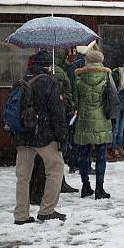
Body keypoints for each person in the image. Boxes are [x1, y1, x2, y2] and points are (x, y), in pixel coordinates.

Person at [13, 50, 68, 224]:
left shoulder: (23, 80)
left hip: (23, 134)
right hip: (43, 135)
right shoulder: (48, 82)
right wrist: (62, 137)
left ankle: (21, 215)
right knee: (56, 169)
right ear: (48, 65)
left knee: (23, 176)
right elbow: (57, 113)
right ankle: (47, 210)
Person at [29, 58, 77, 205]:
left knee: (32, 166)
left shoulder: (28, 79)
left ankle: (29, 200)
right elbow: (56, 111)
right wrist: (61, 135)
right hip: (46, 129)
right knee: (53, 165)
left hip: (31, 127)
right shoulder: (51, 82)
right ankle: (45, 204)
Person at [74, 49, 113, 199]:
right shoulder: (107, 76)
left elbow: (75, 101)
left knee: (84, 156)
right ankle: (99, 189)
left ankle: (85, 186)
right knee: (101, 156)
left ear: (87, 60)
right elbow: (112, 98)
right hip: (102, 119)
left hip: (84, 120)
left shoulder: (78, 76)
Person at [109, 66, 124, 158]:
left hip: (122, 109)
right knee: (116, 129)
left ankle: (119, 146)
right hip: (117, 110)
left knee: (119, 130)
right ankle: (114, 147)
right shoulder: (115, 88)